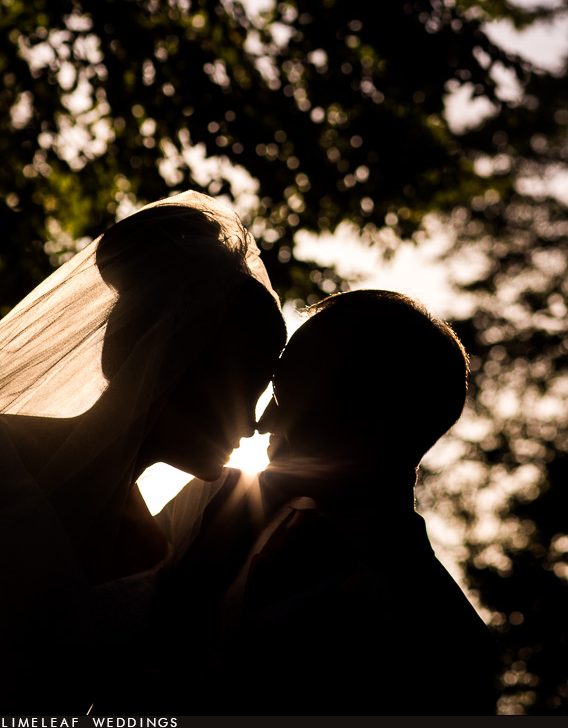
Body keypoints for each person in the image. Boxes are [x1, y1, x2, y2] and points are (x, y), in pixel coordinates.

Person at [0, 189, 286, 707]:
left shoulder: (156, 553)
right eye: (245, 390)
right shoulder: (5, 453)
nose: (252, 425)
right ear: (176, 370)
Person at [161, 289, 497, 713]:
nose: (263, 421)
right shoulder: (218, 497)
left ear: (373, 425)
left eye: (288, 398)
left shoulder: (446, 640)